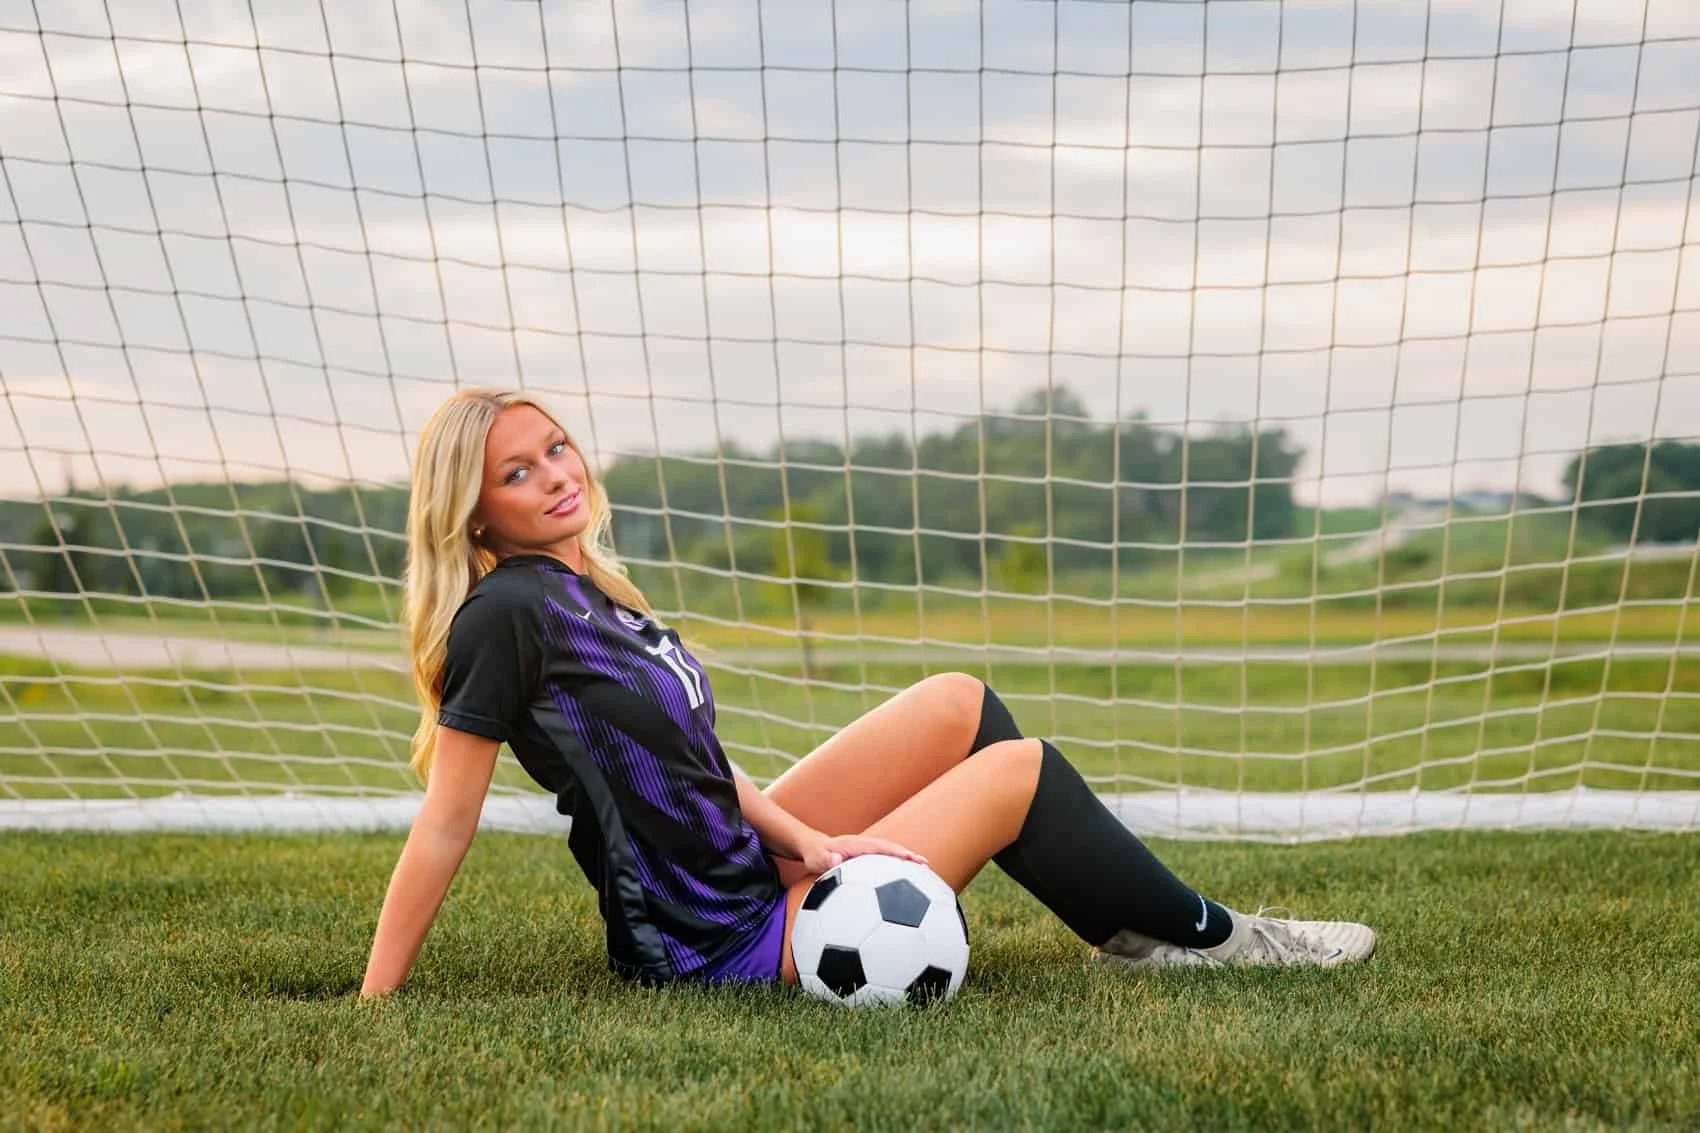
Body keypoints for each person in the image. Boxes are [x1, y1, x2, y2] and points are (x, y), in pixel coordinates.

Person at [359, 389, 1375, 997]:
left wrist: (809, 837)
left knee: (953, 702)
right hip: (714, 938)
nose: (551, 474)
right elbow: (447, 821)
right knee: (1018, 770)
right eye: (514, 472)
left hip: (746, 862)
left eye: (555, 448)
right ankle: (1211, 937)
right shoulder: (505, 614)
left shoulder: (586, 592)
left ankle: (1127, 926)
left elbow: (692, 760)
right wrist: (375, 999)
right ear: (473, 512)